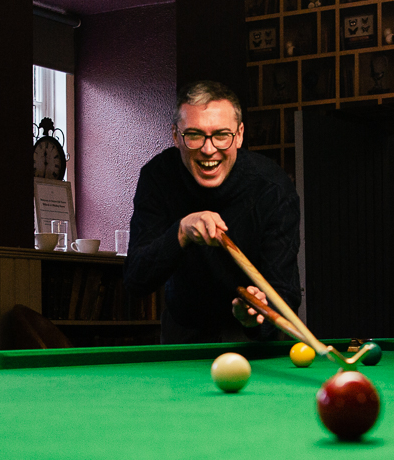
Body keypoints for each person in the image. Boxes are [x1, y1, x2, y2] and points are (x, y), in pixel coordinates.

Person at [124, 81, 301, 344]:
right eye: (194, 135)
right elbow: (136, 280)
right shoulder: (158, 177)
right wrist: (181, 232)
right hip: (182, 334)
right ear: (175, 135)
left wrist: (256, 315)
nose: (209, 149)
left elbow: (285, 295)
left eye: (221, 135)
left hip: (252, 338)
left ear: (239, 135)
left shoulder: (271, 187)